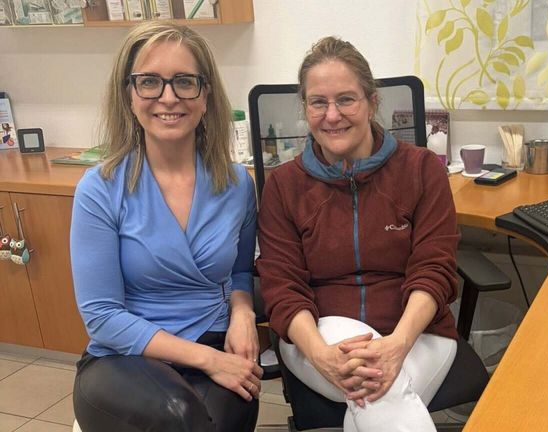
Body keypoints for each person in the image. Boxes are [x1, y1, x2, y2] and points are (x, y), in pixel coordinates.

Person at [257, 36, 459, 432]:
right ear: (305, 108)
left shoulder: (420, 169)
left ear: (372, 101)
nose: (332, 116)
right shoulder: (283, 186)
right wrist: (322, 356)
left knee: (378, 398)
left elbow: (434, 268)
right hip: (318, 336)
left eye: (346, 99)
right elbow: (282, 287)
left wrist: (397, 345)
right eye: (318, 102)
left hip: (418, 335)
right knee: (379, 394)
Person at [70, 21, 260, 432]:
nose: (168, 97)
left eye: (185, 82)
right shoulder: (100, 189)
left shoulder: (237, 184)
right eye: (150, 82)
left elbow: (242, 272)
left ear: (205, 95)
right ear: (129, 95)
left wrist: (243, 312)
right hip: (124, 356)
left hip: (214, 337)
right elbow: (101, 315)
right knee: (180, 418)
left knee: (219, 421)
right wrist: (209, 360)